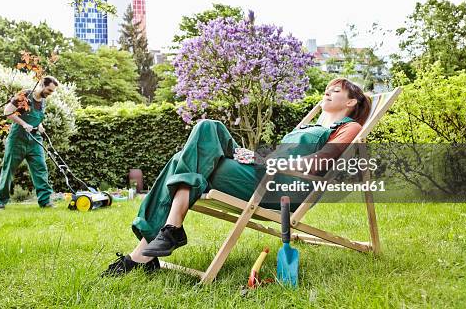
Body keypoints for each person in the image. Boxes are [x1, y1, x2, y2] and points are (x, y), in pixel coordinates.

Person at [102, 78, 371, 276]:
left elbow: (320, 163)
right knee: (208, 127)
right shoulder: (312, 126)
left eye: (335, 91)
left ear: (351, 102)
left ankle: (142, 254)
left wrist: (265, 160)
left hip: (283, 189)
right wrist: (255, 157)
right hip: (265, 175)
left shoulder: (350, 126)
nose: (327, 92)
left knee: (182, 163)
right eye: (326, 90)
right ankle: (167, 232)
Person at [0, 76, 59, 209]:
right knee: (8, 170)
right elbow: (7, 111)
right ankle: (1, 202)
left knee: (41, 168)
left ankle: (45, 201)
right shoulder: (25, 95)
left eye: (52, 92)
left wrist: (40, 125)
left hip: (35, 140)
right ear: (41, 84)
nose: (50, 93)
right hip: (18, 138)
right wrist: (24, 123)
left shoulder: (42, 101)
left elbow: (37, 117)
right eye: (49, 90)